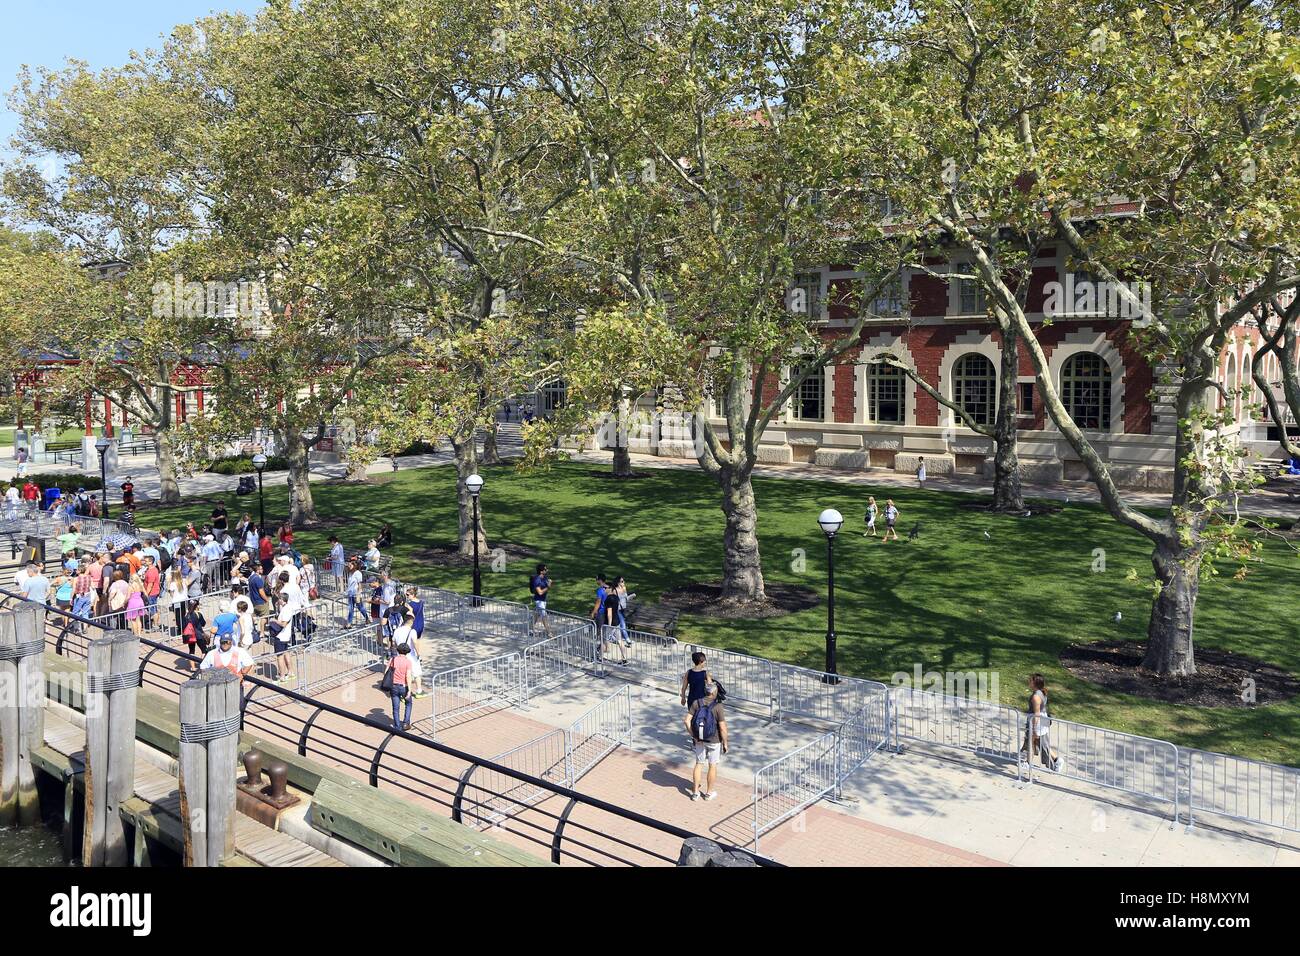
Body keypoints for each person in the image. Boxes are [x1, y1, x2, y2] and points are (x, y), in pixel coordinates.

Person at [683, 681, 728, 801]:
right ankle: (708, 793)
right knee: (712, 766)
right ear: (714, 692)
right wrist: (725, 743)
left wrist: (693, 735)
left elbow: (686, 721)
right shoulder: (718, 707)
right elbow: (723, 728)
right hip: (714, 740)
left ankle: (695, 793)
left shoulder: (696, 703)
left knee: (699, 763)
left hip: (699, 739)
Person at [1021, 674, 1062, 773]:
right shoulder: (1041, 692)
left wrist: (1034, 729)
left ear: (1035, 683)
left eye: (1030, 681)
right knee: (1039, 743)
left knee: (1033, 742)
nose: (1029, 682)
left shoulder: (1036, 696)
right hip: (1041, 721)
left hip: (1037, 722)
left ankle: (1029, 763)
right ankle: (1056, 760)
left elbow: (1036, 714)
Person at [384, 644, 415, 730]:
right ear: (407, 652)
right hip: (404, 686)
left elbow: (386, 671)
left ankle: (397, 726)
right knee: (408, 703)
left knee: (395, 707)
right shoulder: (408, 662)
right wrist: (409, 690)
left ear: (398, 651)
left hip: (393, 686)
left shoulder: (393, 659)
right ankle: (405, 723)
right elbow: (408, 676)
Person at [603, 577, 630, 665]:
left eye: (605, 588)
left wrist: (609, 624)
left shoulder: (608, 599)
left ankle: (599, 657)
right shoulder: (615, 597)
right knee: (619, 641)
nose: (604, 590)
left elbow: (609, 613)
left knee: (605, 639)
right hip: (617, 621)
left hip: (611, 623)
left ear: (609, 588)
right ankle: (624, 659)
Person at [528, 563, 553, 638]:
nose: (547, 570)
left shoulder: (544, 577)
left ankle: (530, 629)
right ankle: (549, 633)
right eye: (545, 569)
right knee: (544, 615)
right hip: (539, 601)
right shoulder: (537, 580)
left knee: (536, 615)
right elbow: (540, 592)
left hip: (543, 600)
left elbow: (547, 587)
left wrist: (549, 583)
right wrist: (548, 587)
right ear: (541, 571)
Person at [345, 560, 363, 626]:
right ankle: (349, 623)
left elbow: (360, 585)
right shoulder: (350, 573)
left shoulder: (358, 573)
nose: (349, 566)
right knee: (350, 609)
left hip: (356, 593)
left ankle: (367, 619)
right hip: (350, 593)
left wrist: (358, 594)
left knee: (361, 608)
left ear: (354, 566)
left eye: (350, 565)